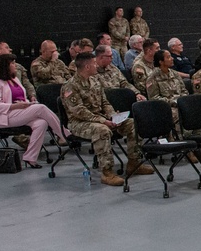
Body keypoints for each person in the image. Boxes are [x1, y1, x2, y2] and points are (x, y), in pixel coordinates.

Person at [60, 52, 154, 186]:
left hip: (101, 118)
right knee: (102, 130)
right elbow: (79, 111)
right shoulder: (70, 86)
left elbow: (104, 102)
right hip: (80, 122)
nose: (96, 65)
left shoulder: (94, 80)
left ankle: (134, 162)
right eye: (93, 63)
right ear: (87, 67)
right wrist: (102, 120)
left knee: (133, 124)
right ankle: (107, 171)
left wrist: (112, 115)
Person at [0, 53, 67, 168]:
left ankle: (30, 157)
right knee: (41, 108)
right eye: (13, 63)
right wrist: (17, 106)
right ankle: (64, 134)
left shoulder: (14, 79)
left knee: (41, 123)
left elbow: (21, 97)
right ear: (5, 66)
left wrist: (28, 102)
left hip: (20, 112)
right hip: (5, 116)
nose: (15, 65)